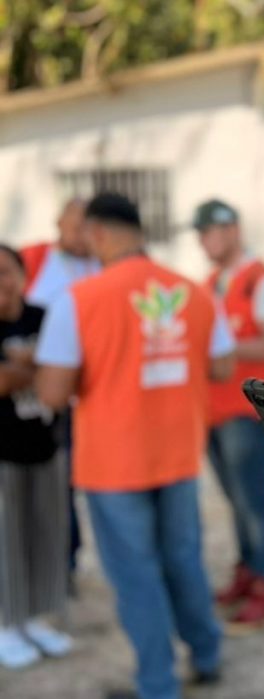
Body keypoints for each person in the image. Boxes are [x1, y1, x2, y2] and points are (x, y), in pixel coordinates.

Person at [34, 193, 235, 699]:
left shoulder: (78, 300)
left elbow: (52, 394)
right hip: (178, 453)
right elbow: (222, 366)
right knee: (184, 559)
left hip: (113, 464)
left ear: (98, 232)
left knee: (136, 576)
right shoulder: (193, 291)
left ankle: (157, 684)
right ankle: (206, 655)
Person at [192, 198, 264, 633]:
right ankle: (248, 574)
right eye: (200, 233)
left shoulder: (261, 281)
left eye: (211, 231)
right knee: (236, 502)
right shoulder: (211, 283)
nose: (205, 241)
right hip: (214, 410)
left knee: (255, 502)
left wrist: (219, 348)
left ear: (232, 230)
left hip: (247, 413)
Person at [20, 197, 100, 584]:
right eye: (75, 227)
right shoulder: (34, 260)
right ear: (59, 224)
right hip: (48, 394)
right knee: (56, 484)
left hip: (96, 394)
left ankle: (72, 557)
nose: (82, 235)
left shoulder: (106, 262)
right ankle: (62, 563)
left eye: (89, 227)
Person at [0, 244, 72, 670]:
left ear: (23, 275)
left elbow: (71, 372)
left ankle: (37, 617)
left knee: (45, 535)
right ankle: (6, 623)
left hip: (45, 446)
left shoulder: (44, 317)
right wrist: (42, 371)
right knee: (6, 540)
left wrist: (23, 371)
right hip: (3, 455)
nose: (1, 282)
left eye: (6, 271)